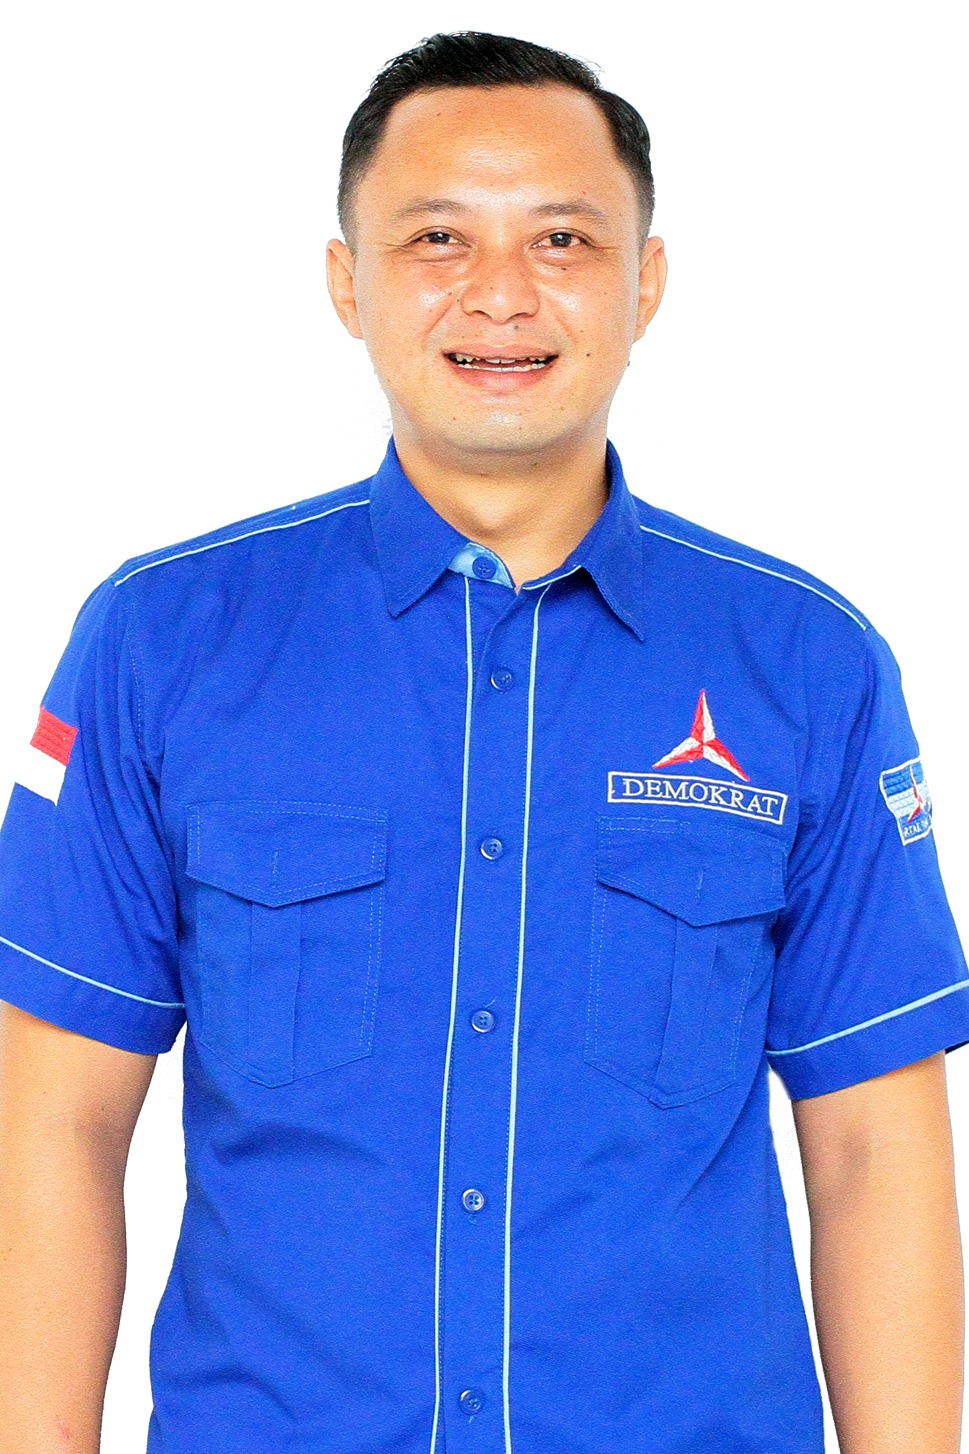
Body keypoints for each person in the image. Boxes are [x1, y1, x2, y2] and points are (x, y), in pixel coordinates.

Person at [0, 27, 966, 1454]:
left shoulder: (805, 663)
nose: (501, 292)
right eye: (438, 236)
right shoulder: (162, 642)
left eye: (562, 238)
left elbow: (875, 1151)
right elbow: (57, 1127)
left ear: (645, 281)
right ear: (348, 281)